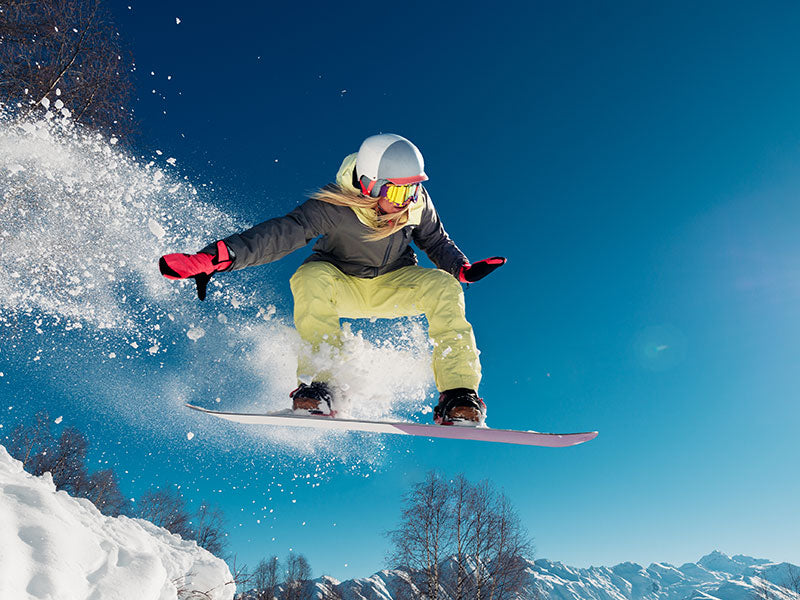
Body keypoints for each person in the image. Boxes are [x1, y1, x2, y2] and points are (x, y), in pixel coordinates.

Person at [159, 134, 505, 425]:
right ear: (369, 185)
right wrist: (218, 257)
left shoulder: (416, 204)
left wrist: (460, 269)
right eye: (399, 193)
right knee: (309, 276)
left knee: (444, 286)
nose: (408, 201)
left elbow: (435, 241)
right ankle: (323, 386)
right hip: (342, 284)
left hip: (393, 284)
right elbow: (283, 233)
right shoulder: (332, 205)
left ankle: (458, 394)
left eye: (413, 190)